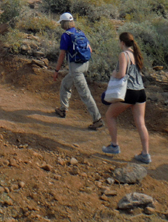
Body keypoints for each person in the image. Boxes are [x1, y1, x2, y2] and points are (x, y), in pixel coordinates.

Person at [101, 32, 151, 164]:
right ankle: (145, 154)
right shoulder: (136, 54)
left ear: (122, 42)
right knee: (141, 123)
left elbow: (122, 73)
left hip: (129, 92)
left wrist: (114, 73)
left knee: (110, 115)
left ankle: (114, 145)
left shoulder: (124, 55)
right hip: (140, 92)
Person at [53, 12, 104, 130]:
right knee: (65, 84)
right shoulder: (80, 32)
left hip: (76, 68)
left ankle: (97, 119)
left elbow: (62, 55)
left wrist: (56, 70)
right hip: (84, 65)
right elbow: (90, 50)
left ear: (64, 23)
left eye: (61, 22)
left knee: (85, 94)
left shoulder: (66, 35)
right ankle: (62, 109)